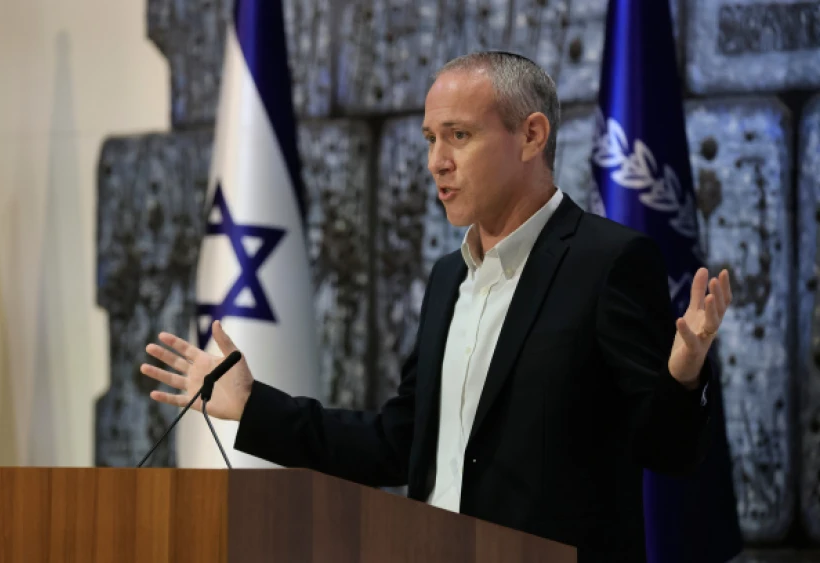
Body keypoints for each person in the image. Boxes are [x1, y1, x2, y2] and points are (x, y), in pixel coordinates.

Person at [141, 51, 731, 563]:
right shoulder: (450, 278)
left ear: (530, 136)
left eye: (459, 135)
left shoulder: (609, 262)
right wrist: (251, 407)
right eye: (430, 139)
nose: (436, 162)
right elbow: (398, 443)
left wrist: (683, 370)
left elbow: (668, 454)